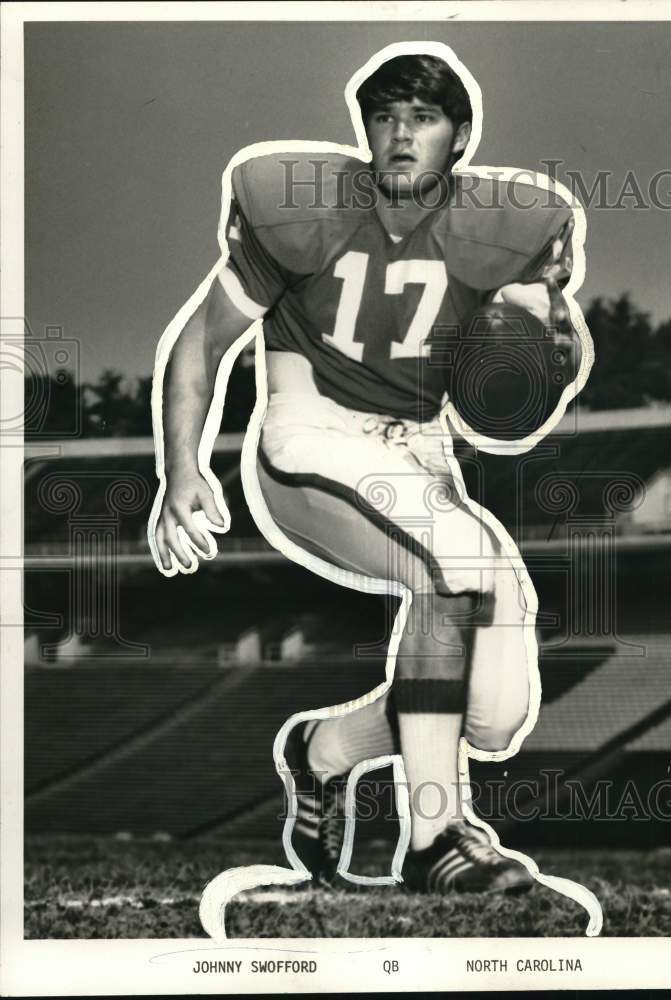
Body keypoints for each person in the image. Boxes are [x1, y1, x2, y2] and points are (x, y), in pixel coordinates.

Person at [150, 44, 594, 924]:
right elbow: (200, 342)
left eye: (421, 119)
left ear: (458, 136)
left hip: (419, 457)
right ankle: (433, 839)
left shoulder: (509, 224)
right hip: (310, 438)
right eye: (385, 117)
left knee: (495, 717)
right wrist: (179, 469)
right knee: (454, 567)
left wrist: (545, 348)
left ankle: (323, 750)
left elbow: (542, 353)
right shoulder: (301, 205)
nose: (399, 135)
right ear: (365, 129)